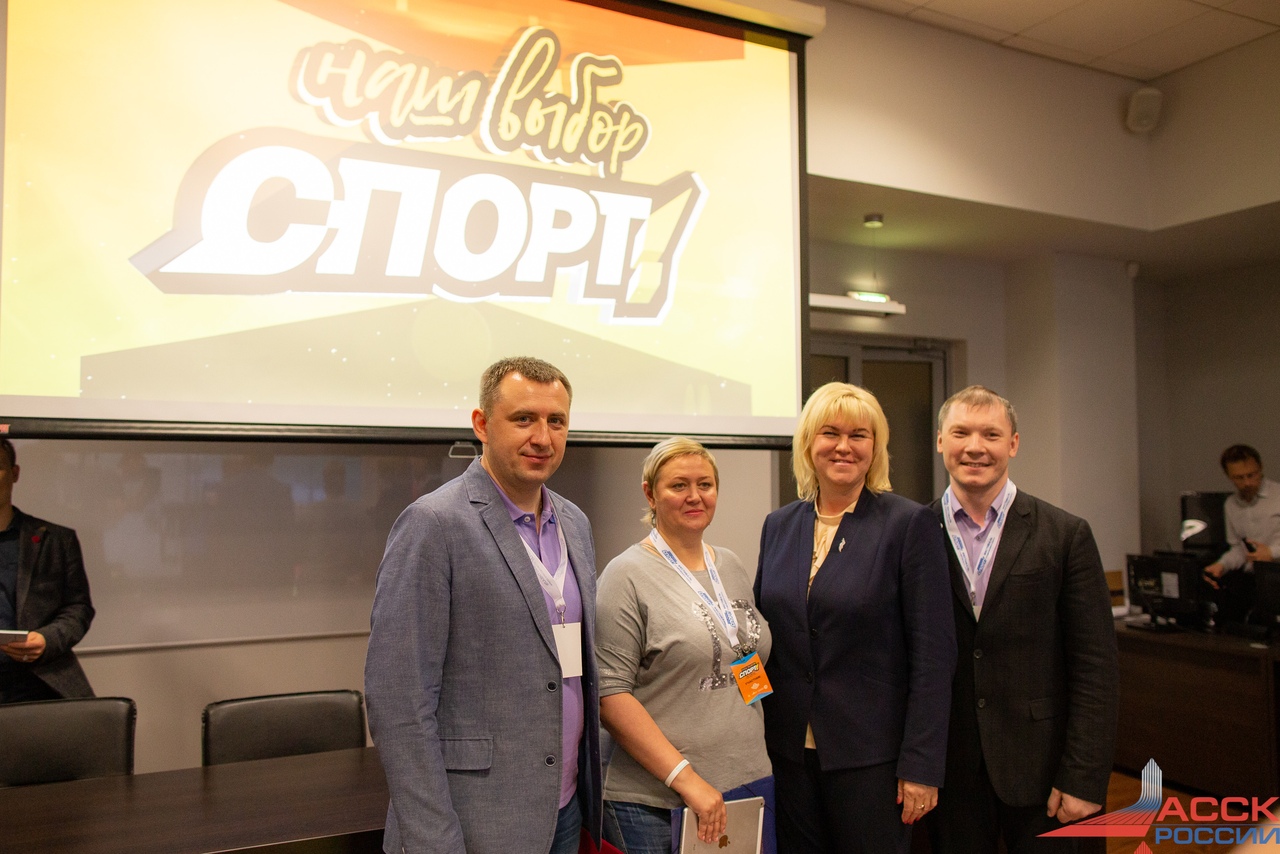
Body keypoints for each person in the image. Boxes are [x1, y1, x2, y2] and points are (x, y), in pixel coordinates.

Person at [365, 357, 602, 854]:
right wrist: (434, 840)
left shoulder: (574, 523)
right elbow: (398, 701)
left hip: (564, 809)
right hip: (476, 819)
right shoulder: (434, 524)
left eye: (556, 421)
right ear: (481, 424)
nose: (543, 437)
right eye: (524, 419)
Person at [754, 382, 955, 854]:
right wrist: (750, 714)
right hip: (788, 753)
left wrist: (922, 765)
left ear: (875, 448)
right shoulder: (779, 526)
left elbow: (934, 656)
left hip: (872, 760)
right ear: (809, 443)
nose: (843, 446)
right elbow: (761, 637)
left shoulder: (908, 525)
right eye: (830, 433)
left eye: (858, 435)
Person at [927, 385, 1118, 854]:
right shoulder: (914, 533)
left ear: (1013, 444)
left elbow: (1096, 667)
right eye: (961, 433)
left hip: (1046, 775)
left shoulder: (1065, 535)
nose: (975, 447)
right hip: (950, 777)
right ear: (940, 441)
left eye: (991, 434)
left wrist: (1084, 777)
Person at [596, 438, 774, 854]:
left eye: (705, 484)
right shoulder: (625, 576)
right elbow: (609, 696)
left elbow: (741, 655)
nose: (695, 496)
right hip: (656, 802)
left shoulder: (729, 564)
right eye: (679, 485)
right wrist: (687, 779)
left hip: (744, 787)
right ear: (650, 494)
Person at [0, 437, 96, 704]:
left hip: (37, 684)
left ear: (14, 473)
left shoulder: (56, 540)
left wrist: (46, 640)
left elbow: (78, 608)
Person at [1202, 444, 1280, 584]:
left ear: (1260, 468)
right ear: (1228, 476)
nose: (1247, 483)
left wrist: (1272, 553)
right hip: (1255, 579)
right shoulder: (1231, 505)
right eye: (1239, 477)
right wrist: (1222, 565)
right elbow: (1239, 549)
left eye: (1251, 475)